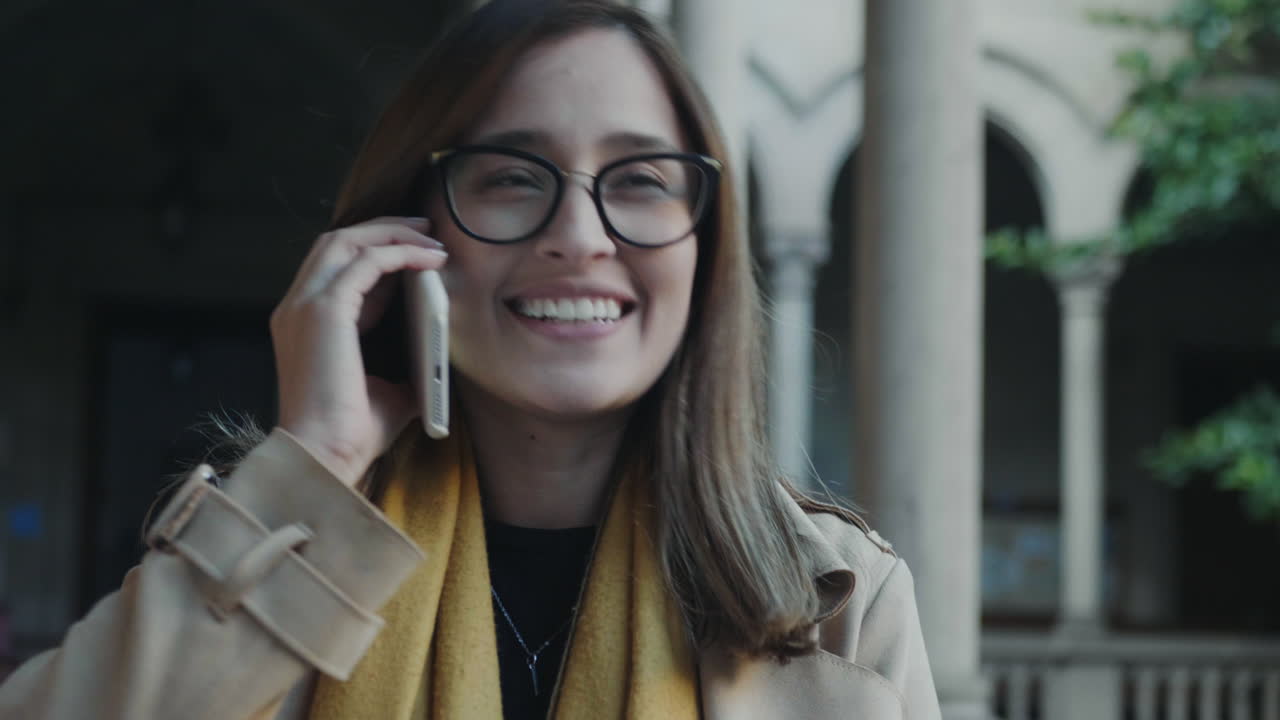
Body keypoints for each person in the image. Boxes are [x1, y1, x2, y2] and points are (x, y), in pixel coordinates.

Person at [0, 1, 942, 718]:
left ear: (705, 244)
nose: (579, 237)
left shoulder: (845, 600)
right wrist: (314, 467)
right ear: (406, 232)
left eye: (643, 180)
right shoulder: (274, 551)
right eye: (509, 178)